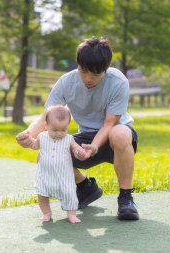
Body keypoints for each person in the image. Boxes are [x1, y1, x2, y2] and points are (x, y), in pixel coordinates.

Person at [16, 37, 139, 220]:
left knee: (119, 133)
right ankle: (85, 187)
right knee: (44, 154)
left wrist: (95, 146)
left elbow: (109, 124)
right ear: (78, 65)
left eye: (95, 75)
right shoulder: (66, 82)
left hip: (114, 135)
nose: (88, 79)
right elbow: (47, 115)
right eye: (83, 71)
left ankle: (126, 198)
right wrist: (28, 134)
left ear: (106, 68)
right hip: (86, 136)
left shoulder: (118, 81)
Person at [28, 105, 83, 224]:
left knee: (69, 193)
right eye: (54, 130)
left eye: (63, 130)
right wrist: (29, 140)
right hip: (45, 174)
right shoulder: (42, 137)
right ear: (46, 126)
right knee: (42, 194)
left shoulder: (69, 139)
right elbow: (34, 145)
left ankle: (71, 214)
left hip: (64, 175)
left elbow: (76, 148)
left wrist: (80, 152)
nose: (59, 133)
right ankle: (46, 213)